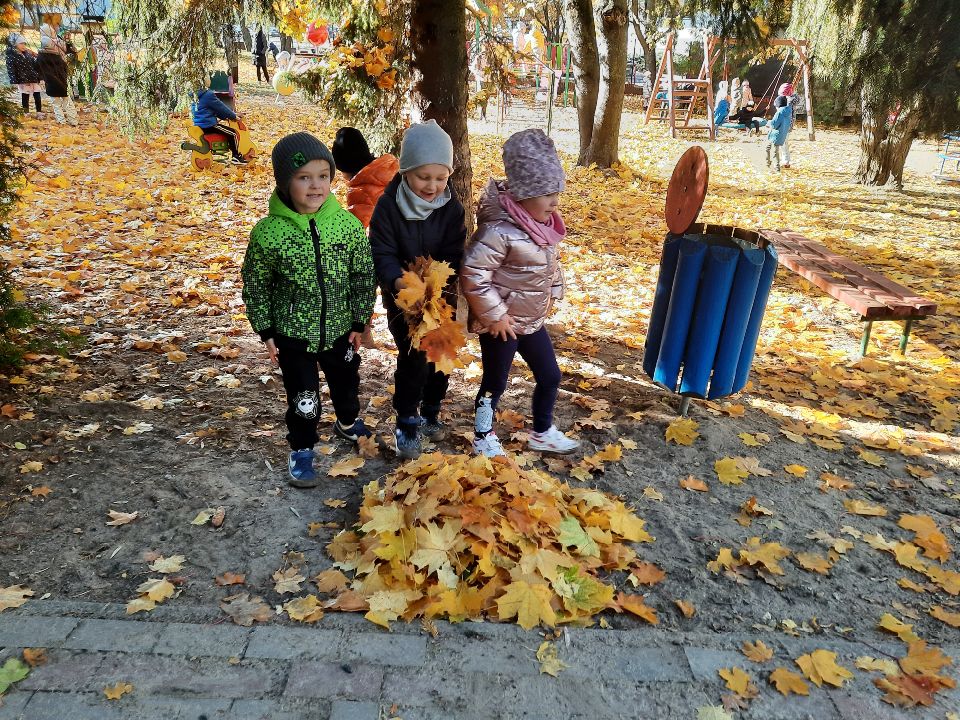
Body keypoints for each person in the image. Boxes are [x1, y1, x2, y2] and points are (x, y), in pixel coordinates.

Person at [241, 132, 377, 487]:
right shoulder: (268, 233)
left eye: (322, 176)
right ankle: (302, 447)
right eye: (304, 177)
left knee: (347, 382)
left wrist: (359, 319)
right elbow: (256, 284)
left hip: (340, 329)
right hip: (293, 334)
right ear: (285, 183)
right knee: (304, 396)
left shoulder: (346, 226)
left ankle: (347, 421)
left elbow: (363, 274)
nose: (315, 185)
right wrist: (266, 329)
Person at [461, 129, 579, 458]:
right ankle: (482, 435)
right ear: (524, 193)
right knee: (494, 383)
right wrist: (495, 316)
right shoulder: (498, 231)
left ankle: (542, 431)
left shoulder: (542, 224)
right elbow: (474, 274)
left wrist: (555, 287)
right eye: (546, 193)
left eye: (557, 192)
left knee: (550, 375)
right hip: (502, 324)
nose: (554, 201)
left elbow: (549, 262)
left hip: (531, 320)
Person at [368, 120, 467, 460]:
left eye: (441, 178)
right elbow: (381, 252)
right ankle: (407, 420)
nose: (433, 186)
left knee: (441, 353)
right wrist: (400, 282)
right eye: (424, 177)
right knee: (414, 357)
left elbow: (454, 252)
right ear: (407, 171)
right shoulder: (388, 206)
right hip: (403, 300)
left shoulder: (451, 208)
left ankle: (431, 410)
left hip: (440, 298)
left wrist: (440, 284)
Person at [332, 126, 400, 347]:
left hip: (380, 247)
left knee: (362, 283)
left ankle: (364, 332)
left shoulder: (360, 189)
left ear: (345, 167)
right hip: (402, 241)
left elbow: (357, 228)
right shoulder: (389, 171)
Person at [191, 74, 248, 164]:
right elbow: (221, 107)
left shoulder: (195, 94)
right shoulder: (208, 94)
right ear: (206, 81)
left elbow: (212, 110)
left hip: (199, 123)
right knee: (233, 133)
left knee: (227, 131)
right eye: (209, 79)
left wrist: (225, 117)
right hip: (208, 125)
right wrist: (234, 116)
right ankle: (236, 157)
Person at [37, 14, 77, 125]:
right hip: (62, 82)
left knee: (56, 103)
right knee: (67, 101)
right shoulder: (59, 56)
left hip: (51, 83)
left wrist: (41, 79)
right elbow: (65, 67)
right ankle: (73, 120)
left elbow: (38, 68)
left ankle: (61, 121)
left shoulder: (41, 56)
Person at [6, 34, 43, 114]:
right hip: (23, 79)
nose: (23, 45)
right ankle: (26, 112)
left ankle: (39, 112)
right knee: (25, 96)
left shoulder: (27, 53)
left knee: (37, 94)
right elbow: (11, 69)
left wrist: (39, 76)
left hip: (33, 77)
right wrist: (13, 81)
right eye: (21, 43)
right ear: (15, 44)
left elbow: (34, 65)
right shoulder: (11, 56)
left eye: (24, 43)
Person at [766, 93, 793, 172]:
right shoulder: (788, 111)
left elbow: (774, 124)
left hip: (775, 135)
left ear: (778, 105)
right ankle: (769, 163)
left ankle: (775, 167)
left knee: (772, 150)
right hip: (782, 134)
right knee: (772, 149)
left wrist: (768, 123)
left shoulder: (779, 113)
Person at [775, 83, 796, 168]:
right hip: (787, 125)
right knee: (784, 143)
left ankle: (784, 161)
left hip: (784, 125)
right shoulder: (792, 99)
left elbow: (780, 113)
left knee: (782, 143)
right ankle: (785, 161)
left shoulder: (787, 101)